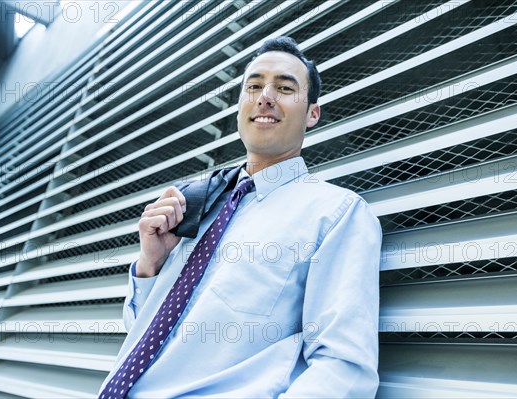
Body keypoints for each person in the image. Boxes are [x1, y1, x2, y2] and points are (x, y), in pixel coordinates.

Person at [100, 36, 381, 398]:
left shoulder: (335, 214)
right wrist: (151, 265)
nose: (265, 96)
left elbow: (344, 371)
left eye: (284, 87)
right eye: (254, 85)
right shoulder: (198, 207)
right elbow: (145, 338)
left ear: (312, 113)